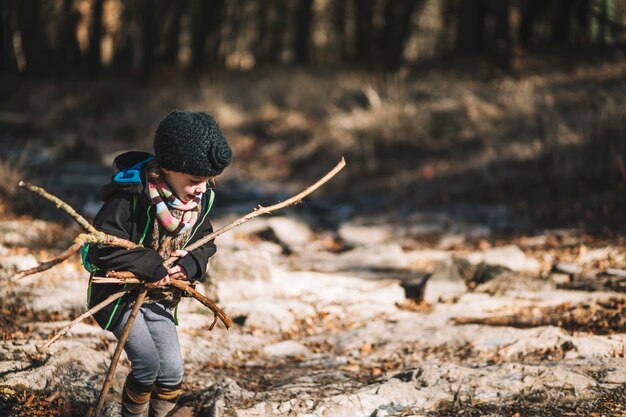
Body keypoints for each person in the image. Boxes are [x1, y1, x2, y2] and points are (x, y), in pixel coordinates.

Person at [85, 110, 232, 417]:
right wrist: (149, 264)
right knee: (147, 364)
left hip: (160, 298)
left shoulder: (199, 200)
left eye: (207, 181)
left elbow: (205, 240)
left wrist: (191, 263)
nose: (202, 189)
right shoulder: (130, 196)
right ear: (167, 168)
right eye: (195, 181)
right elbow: (101, 246)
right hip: (120, 296)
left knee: (172, 373)